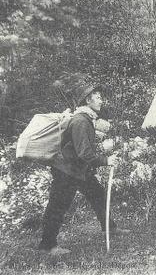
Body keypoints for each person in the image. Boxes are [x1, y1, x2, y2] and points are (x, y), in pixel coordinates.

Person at [38, 77, 127, 255]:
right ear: (88, 100)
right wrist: (105, 161)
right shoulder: (81, 121)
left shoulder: (87, 119)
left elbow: (82, 151)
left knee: (98, 194)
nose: (101, 100)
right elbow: (84, 153)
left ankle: (109, 228)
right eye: (98, 97)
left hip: (79, 170)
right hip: (67, 171)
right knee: (58, 205)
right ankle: (47, 245)